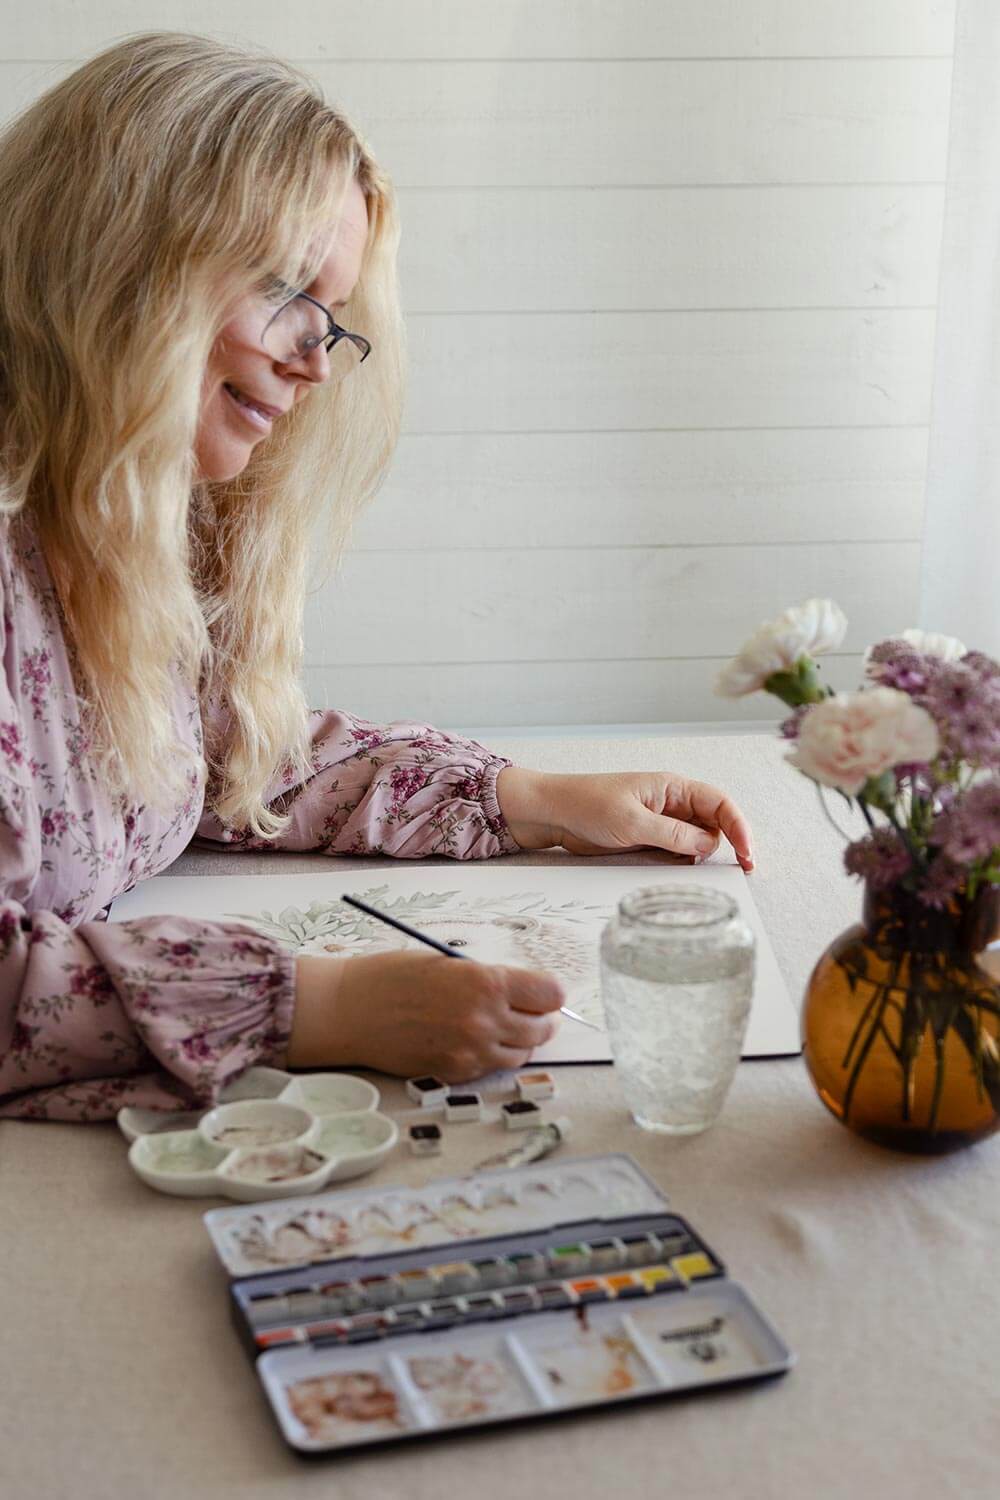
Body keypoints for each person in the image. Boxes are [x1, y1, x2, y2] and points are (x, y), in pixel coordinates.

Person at [0, 33, 752, 1121]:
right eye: (283, 293)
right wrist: (321, 1008)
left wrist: (524, 802)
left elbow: (218, 757)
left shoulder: (111, 517)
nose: (314, 359)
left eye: (331, 317)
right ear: (122, 255)